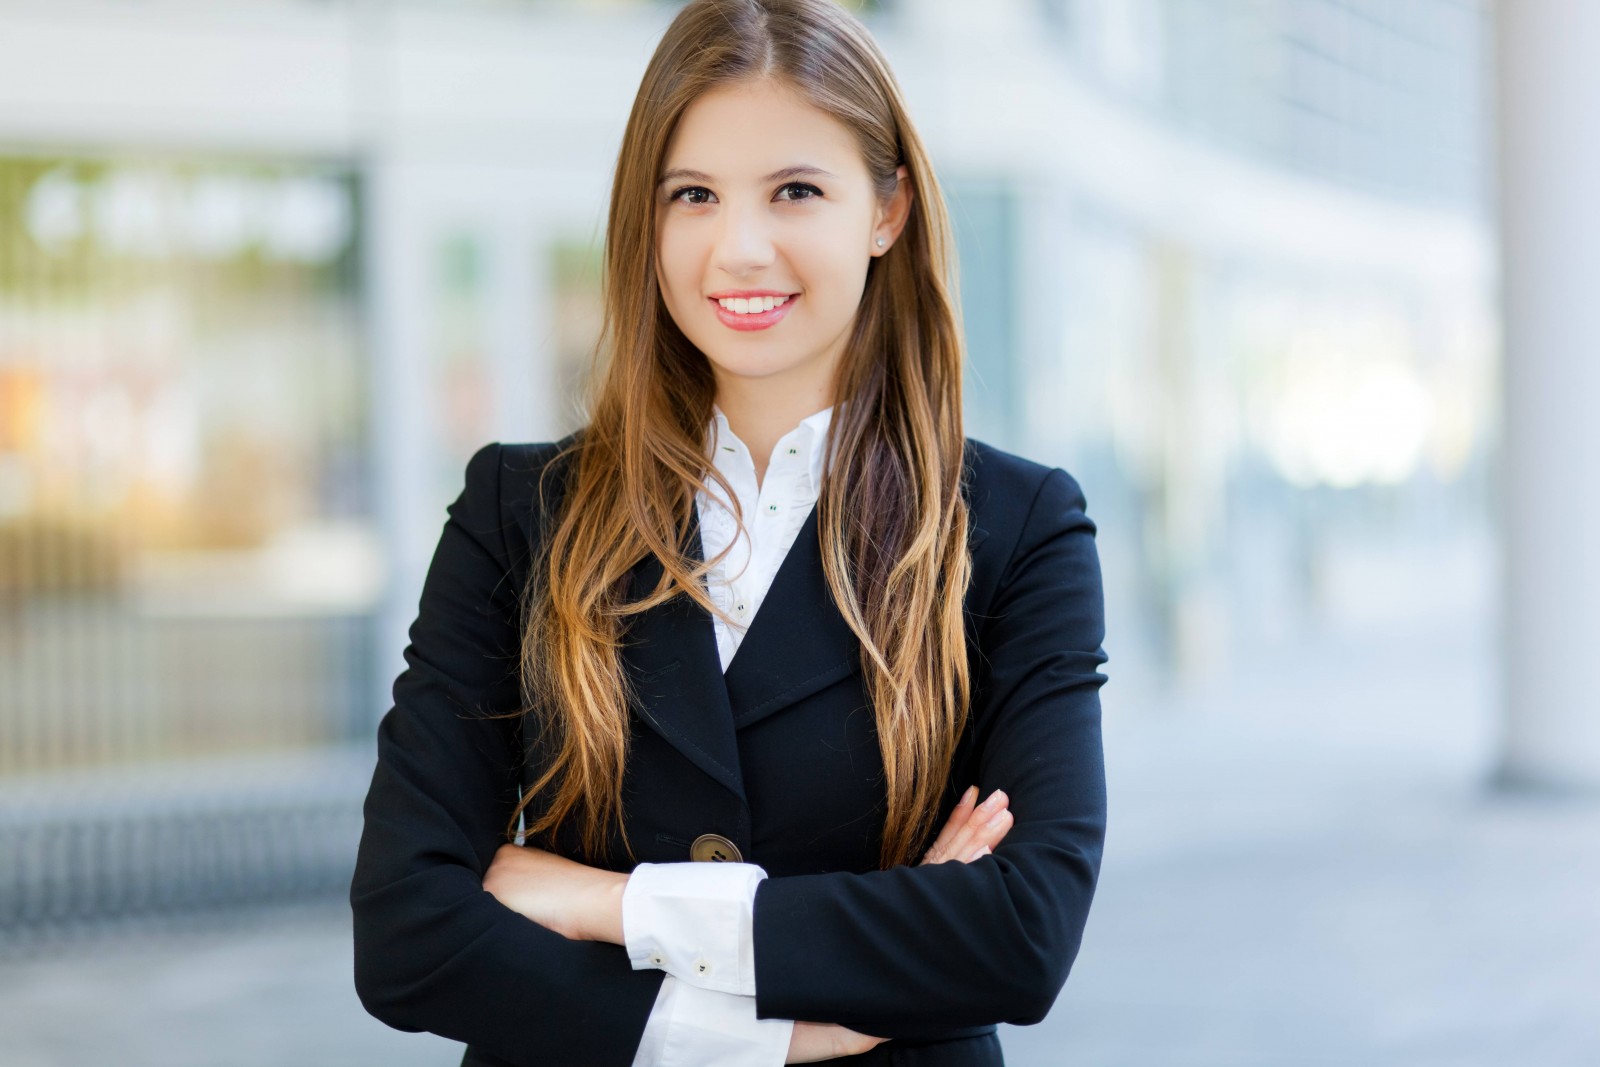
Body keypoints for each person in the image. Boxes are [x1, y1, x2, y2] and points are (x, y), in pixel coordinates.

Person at [349, 1, 1109, 1064]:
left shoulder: (1016, 529)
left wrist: (615, 904)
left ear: (886, 208)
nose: (738, 248)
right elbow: (405, 931)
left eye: (795, 190)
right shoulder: (519, 514)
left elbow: (1020, 931)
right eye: (693, 195)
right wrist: (776, 1030)